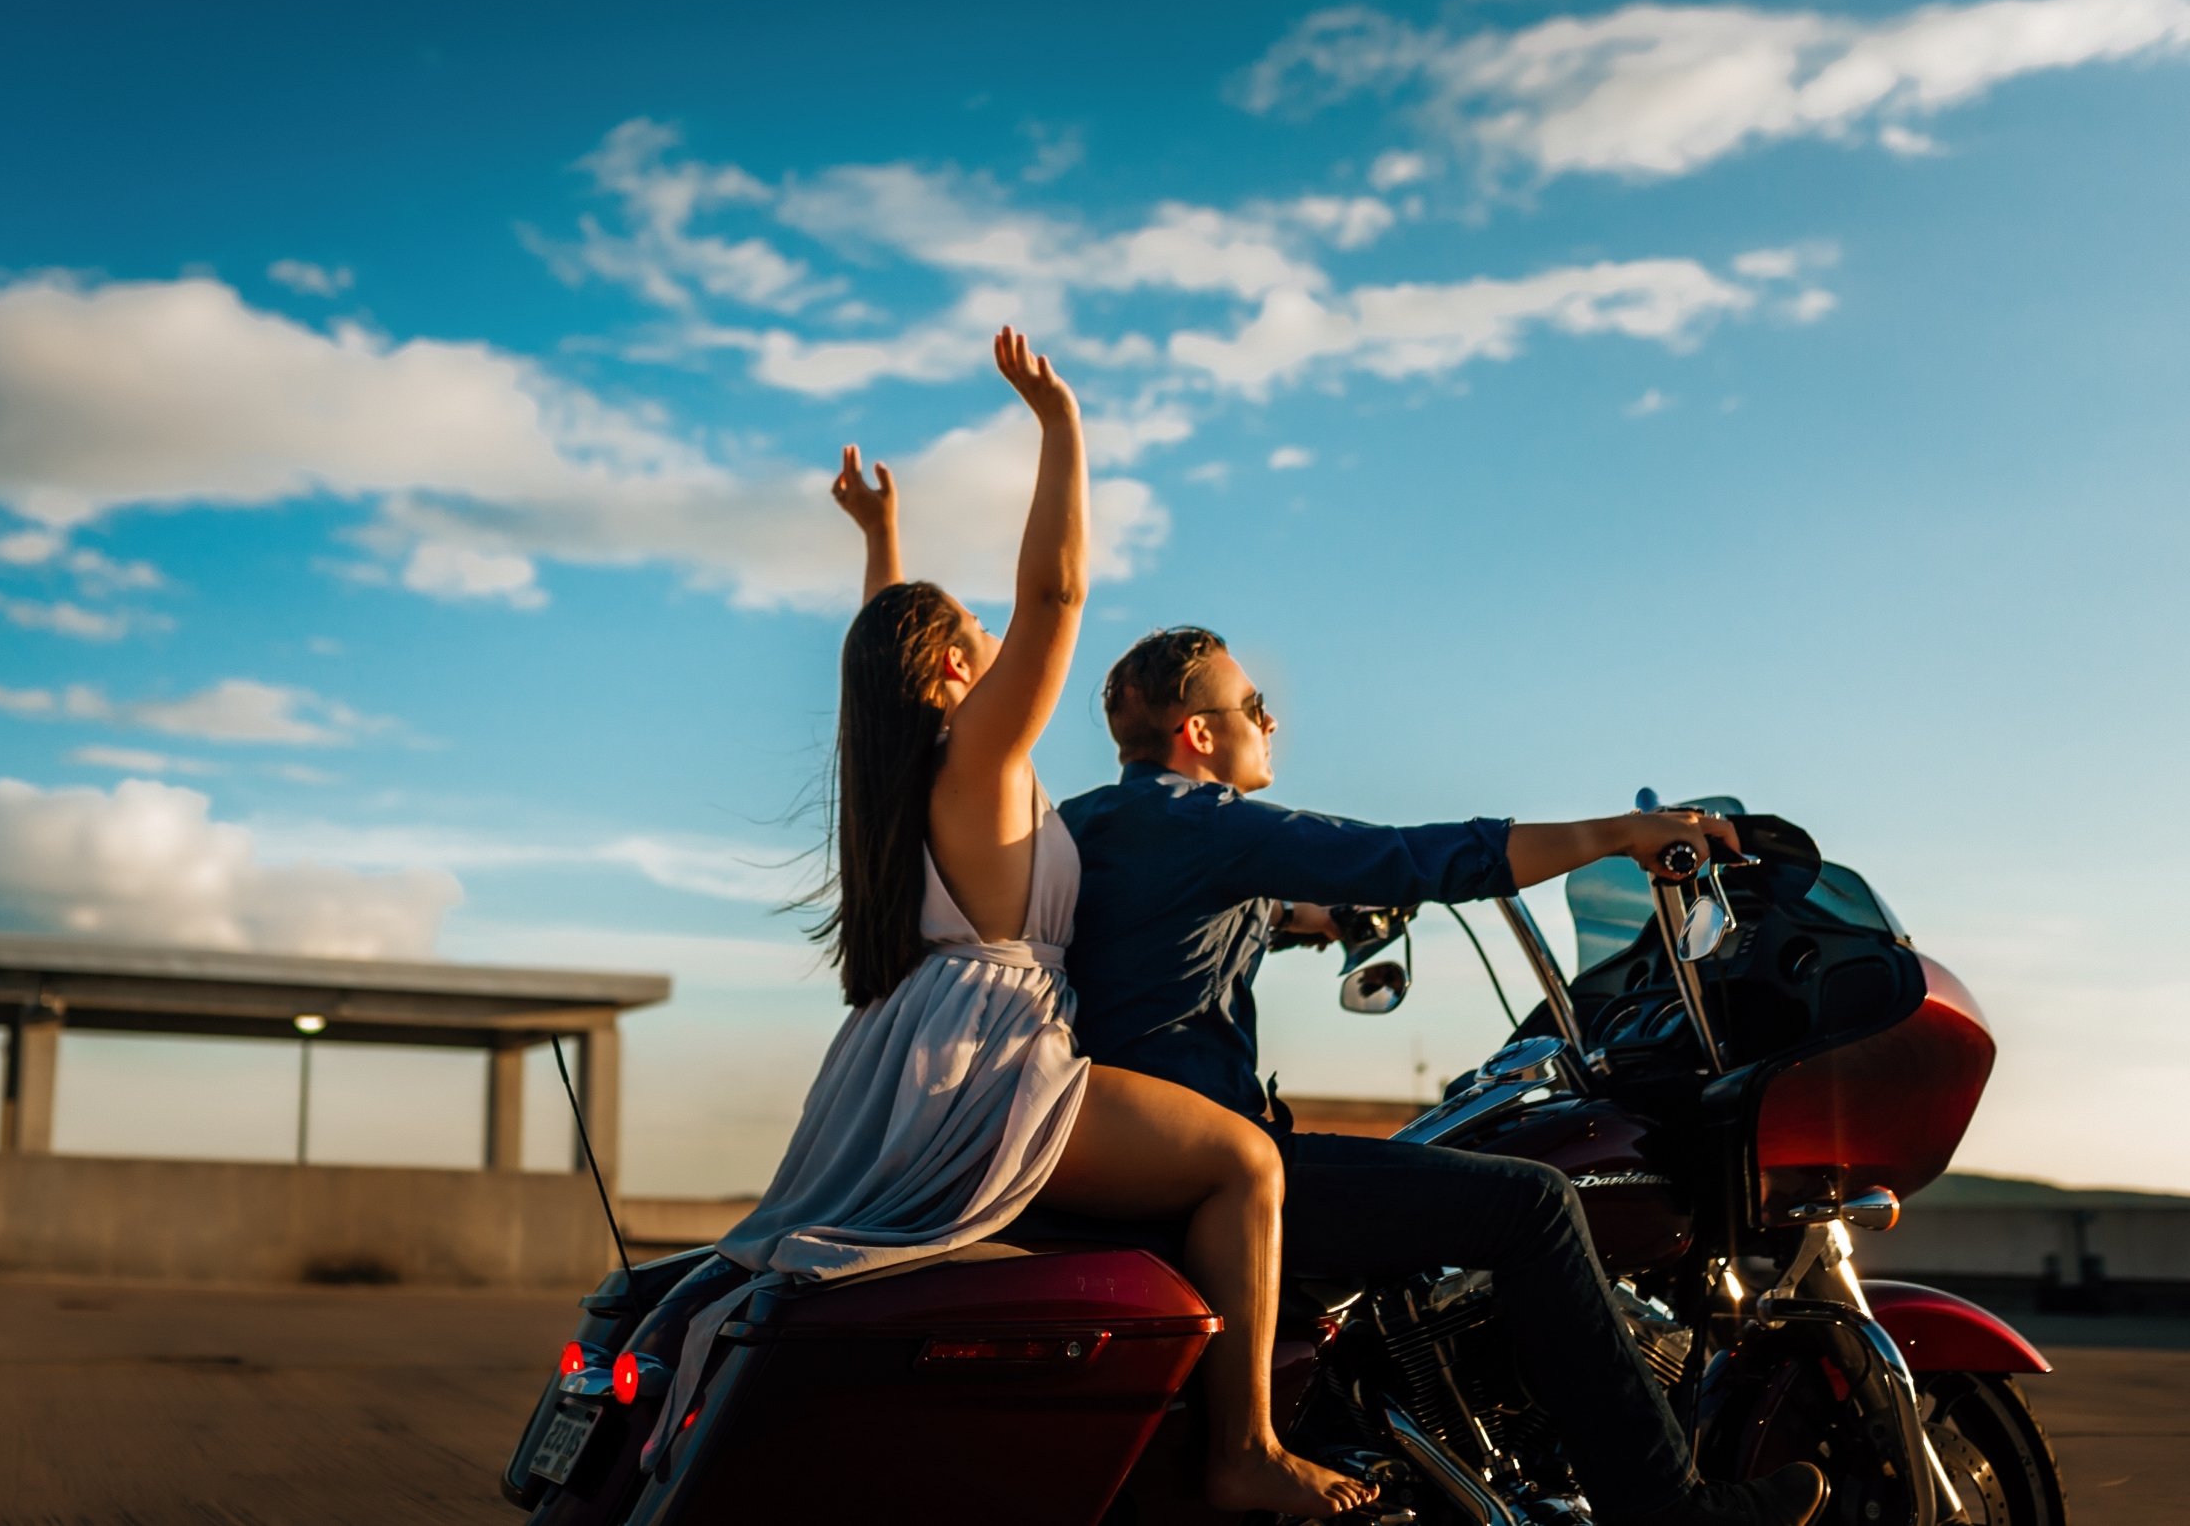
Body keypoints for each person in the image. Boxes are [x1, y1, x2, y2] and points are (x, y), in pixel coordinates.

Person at [651, 336, 1373, 1517]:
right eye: (975, 634)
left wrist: (879, 539)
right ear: (951, 668)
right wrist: (1060, 423)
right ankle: (1246, 1449)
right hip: (992, 1055)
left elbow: (884, 652)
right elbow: (1057, 594)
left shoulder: (907, 779)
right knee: (1246, 1161)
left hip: (913, 1046)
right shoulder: (977, 754)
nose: (1003, 638)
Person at [1058, 626, 1831, 1526]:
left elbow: (1199, 918)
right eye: (1254, 708)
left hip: (1123, 1156)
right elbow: (1414, 855)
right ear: (1198, 732)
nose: (1270, 723)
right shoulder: (1205, 821)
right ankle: (1668, 1508)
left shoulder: (1103, 823)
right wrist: (1620, 834)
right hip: (1206, 1168)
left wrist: (1327, 921)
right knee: (1533, 1204)